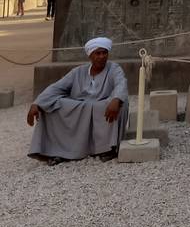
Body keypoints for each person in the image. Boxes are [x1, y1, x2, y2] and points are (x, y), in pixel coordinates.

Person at [27, 36, 128, 165]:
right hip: (80, 107)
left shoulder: (114, 68)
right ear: (90, 56)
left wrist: (116, 99)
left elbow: (121, 83)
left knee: (119, 104)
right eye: (98, 53)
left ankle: (108, 149)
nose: (102, 56)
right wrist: (37, 103)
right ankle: (56, 151)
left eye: (104, 53)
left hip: (102, 106)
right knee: (52, 105)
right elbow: (57, 87)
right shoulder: (78, 72)